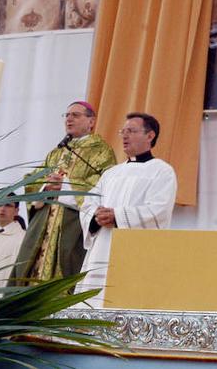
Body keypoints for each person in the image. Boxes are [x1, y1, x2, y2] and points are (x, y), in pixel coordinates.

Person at [9, 101, 117, 286]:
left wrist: (66, 186)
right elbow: (32, 178)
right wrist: (45, 186)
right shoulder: (56, 153)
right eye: (66, 115)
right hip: (44, 223)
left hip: (72, 224)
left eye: (75, 115)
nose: (69, 119)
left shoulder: (102, 152)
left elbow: (104, 185)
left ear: (91, 121)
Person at [77, 112, 176, 307]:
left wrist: (118, 216)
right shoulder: (111, 173)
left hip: (135, 251)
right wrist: (96, 218)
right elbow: (88, 203)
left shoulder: (162, 171)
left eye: (131, 131)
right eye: (123, 131)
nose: (124, 136)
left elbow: (159, 210)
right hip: (102, 249)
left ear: (150, 135)